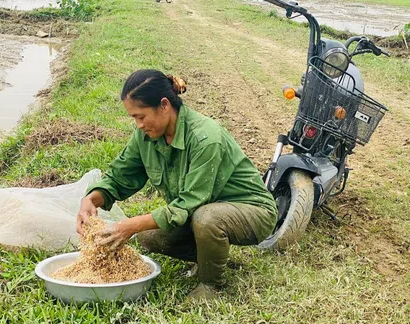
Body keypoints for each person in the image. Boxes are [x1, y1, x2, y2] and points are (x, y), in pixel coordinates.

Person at [76, 69, 277, 300]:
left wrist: (130, 225)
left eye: (141, 116)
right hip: (203, 208)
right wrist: (92, 199)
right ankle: (210, 258)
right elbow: (120, 175)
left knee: (206, 218)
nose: (138, 125)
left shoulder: (205, 138)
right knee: (149, 236)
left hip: (252, 211)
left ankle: (212, 284)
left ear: (164, 105)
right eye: (134, 118)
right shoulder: (146, 136)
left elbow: (188, 205)